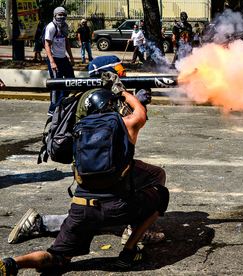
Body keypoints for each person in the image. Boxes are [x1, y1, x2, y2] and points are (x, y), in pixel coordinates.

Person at [1, 83, 169, 274]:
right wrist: (124, 92)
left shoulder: (77, 131)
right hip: (117, 207)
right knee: (161, 195)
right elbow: (140, 113)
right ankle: (128, 252)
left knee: (57, 258)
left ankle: (13, 263)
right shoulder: (126, 125)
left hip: (82, 209)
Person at [44, 7, 75, 116]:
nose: (61, 17)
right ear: (55, 15)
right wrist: (52, 61)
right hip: (54, 58)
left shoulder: (65, 26)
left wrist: (71, 57)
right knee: (56, 84)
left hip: (63, 58)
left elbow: (66, 42)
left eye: (63, 15)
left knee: (71, 81)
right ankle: (52, 109)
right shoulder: (51, 27)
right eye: (59, 15)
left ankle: (60, 103)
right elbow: (47, 44)